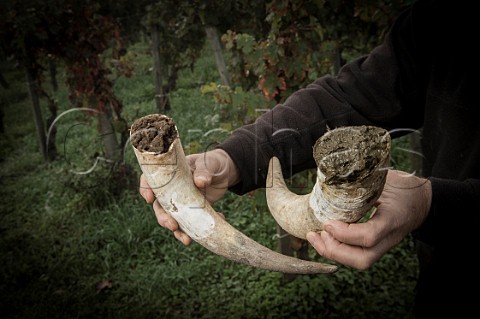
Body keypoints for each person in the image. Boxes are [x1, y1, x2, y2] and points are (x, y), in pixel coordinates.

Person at [139, 0, 479, 317]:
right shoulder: (440, 18)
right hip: (442, 284)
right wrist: (232, 158)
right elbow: (352, 98)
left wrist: (432, 203)